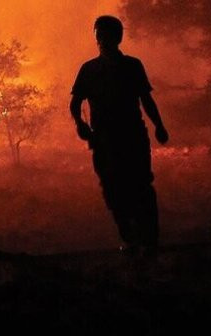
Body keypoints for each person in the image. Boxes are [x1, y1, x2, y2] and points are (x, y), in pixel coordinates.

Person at [70, 15, 170, 257]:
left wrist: (159, 125)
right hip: (104, 140)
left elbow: (146, 100)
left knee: (140, 185)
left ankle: (149, 240)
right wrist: (80, 124)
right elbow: (75, 102)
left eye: (105, 35)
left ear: (117, 37)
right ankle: (130, 238)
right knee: (112, 189)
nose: (101, 40)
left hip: (132, 136)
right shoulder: (89, 69)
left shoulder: (132, 66)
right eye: (98, 36)